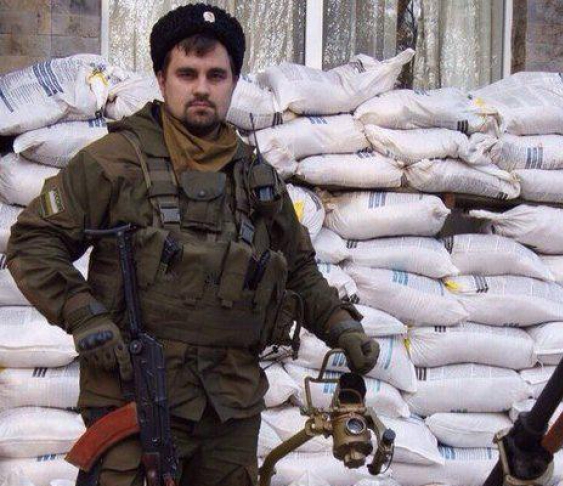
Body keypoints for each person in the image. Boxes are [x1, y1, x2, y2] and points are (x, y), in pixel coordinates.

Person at [6, 4, 380, 486]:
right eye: (187, 74)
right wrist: (84, 315)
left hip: (229, 407)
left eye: (215, 75)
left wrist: (342, 327)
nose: (202, 88)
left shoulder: (259, 180)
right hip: (134, 396)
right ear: (162, 80)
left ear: (234, 82)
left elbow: (300, 271)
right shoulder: (113, 162)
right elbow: (33, 241)